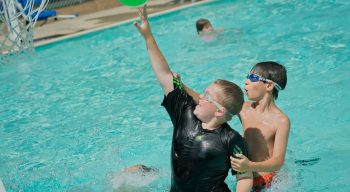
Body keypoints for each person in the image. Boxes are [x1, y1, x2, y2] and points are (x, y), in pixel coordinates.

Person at [133, 5, 253, 192]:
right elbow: (165, 75)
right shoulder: (186, 113)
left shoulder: (231, 140)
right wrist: (148, 36)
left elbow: (244, 177)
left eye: (206, 96)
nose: (200, 97)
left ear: (219, 111)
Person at [176, 62, 289, 192]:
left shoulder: (281, 121)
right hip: (246, 176)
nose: (246, 81)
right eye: (247, 76)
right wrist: (180, 85)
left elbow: (278, 161)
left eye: (253, 78)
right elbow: (209, 101)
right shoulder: (244, 109)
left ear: (269, 86)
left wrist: (250, 165)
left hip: (269, 181)